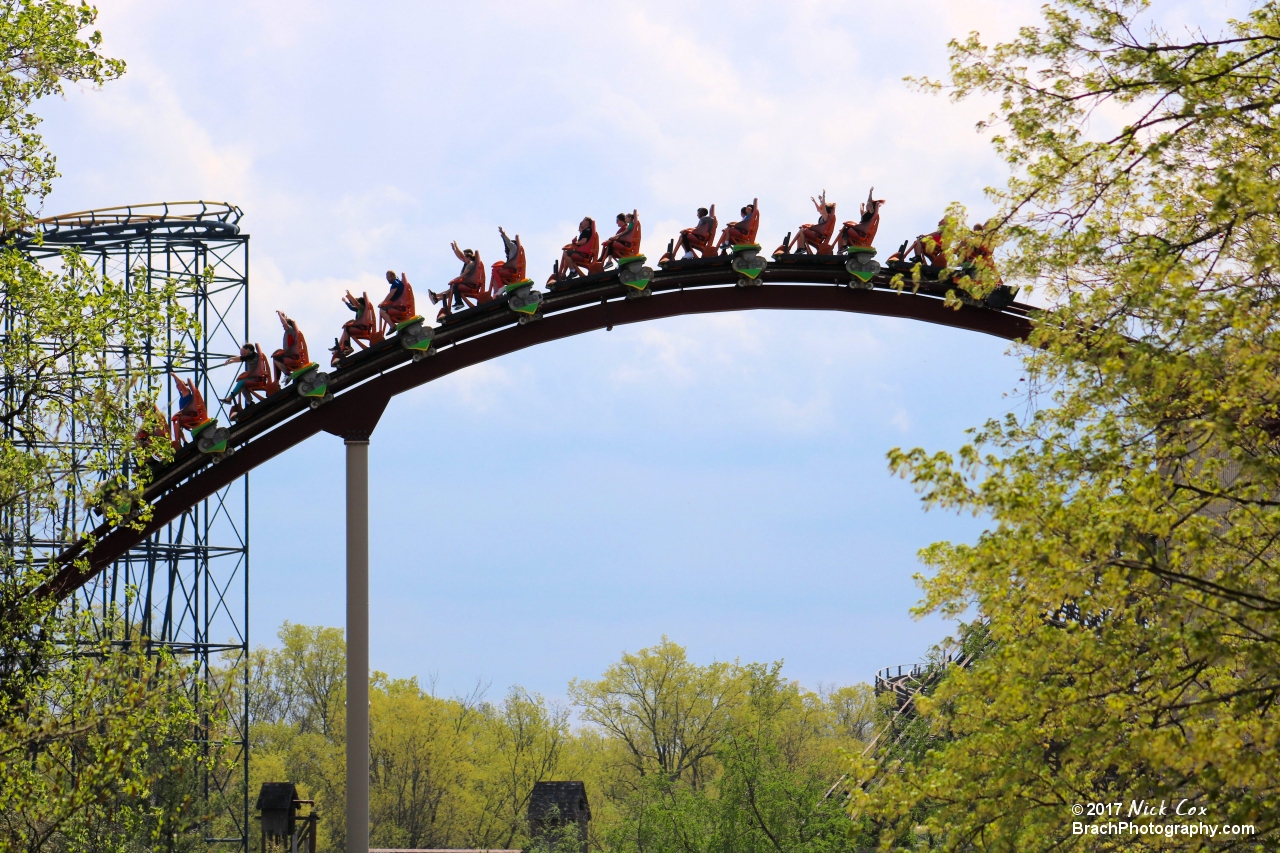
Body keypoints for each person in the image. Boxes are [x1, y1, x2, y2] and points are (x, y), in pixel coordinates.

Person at [430, 243, 486, 319]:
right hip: (466, 283)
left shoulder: (471, 264)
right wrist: (455, 249)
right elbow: (461, 256)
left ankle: (457, 303)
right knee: (452, 288)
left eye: (465, 256)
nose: (463, 258)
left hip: (470, 285)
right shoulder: (468, 262)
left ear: (469, 257)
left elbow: (463, 275)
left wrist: (456, 279)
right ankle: (437, 298)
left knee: (455, 286)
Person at [220, 342, 276, 417]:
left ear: (248, 349)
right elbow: (242, 358)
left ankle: (229, 398)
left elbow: (242, 358)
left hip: (255, 379)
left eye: (243, 351)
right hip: (254, 378)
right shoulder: (253, 356)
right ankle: (249, 402)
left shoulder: (253, 355)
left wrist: (231, 359)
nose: (242, 354)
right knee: (242, 385)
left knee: (241, 383)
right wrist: (232, 361)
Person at [332, 290, 383, 364]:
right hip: (361, 328)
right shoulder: (359, 310)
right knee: (346, 328)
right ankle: (340, 346)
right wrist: (347, 301)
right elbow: (352, 306)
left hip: (361, 329)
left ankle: (347, 347)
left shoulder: (362, 307)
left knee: (347, 328)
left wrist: (349, 295)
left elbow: (355, 303)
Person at [548, 217, 602, 284]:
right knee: (567, 254)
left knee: (566, 253)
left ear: (587, 222)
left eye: (583, 220)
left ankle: (572, 271)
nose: (581, 222)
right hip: (584, 254)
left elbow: (583, 241)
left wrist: (575, 243)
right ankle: (563, 273)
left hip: (583, 255)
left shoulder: (586, 231)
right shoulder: (588, 231)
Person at [272, 311, 311, 382]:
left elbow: (285, 324)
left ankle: (287, 374)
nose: (283, 326)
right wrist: (284, 316)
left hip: (293, 357)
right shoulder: (291, 332)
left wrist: (280, 315)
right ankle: (276, 381)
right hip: (290, 355)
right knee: (276, 357)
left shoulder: (290, 330)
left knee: (276, 359)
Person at [169, 372, 208, 443]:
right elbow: (179, 384)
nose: (177, 387)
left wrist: (174, 375)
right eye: (176, 385)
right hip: (185, 413)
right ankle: (184, 441)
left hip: (190, 414)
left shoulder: (186, 391)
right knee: (176, 424)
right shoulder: (182, 396)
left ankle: (177, 441)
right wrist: (174, 378)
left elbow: (181, 384)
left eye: (178, 385)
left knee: (176, 419)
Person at [489, 227, 527, 296]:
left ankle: (501, 287)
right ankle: (497, 293)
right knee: (496, 271)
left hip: (512, 271)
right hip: (512, 270)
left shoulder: (514, 248)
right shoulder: (513, 253)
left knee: (495, 270)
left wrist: (503, 234)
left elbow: (509, 243)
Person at [378, 270, 416, 334]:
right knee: (382, 308)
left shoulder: (396, 283)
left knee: (382, 311)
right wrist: (383, 302)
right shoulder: (397, 283)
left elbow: (391, 294)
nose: (387, 279)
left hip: (397, 305)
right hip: (395, 303)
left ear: (393, 276)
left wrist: (383, 302)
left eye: (388, 277)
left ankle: (392, 326)